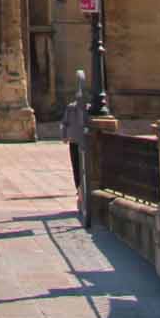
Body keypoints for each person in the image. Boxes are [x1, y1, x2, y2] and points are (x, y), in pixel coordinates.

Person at [61, 69, 90, 219]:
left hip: (82, 141)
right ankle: (79, 192)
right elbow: (64, 123)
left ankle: (82, 192)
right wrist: (65, 136)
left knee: (82, 167)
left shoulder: (87, 108)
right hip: (74, 141)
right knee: (77, 167)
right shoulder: (71, 107)